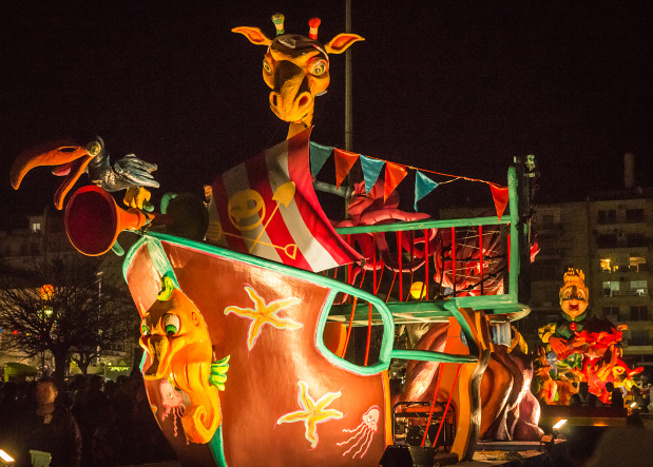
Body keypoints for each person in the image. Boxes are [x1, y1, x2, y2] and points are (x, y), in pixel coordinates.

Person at [17, 376, 82, 467]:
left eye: (46, 390)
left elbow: (75, 445)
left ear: (55, 394)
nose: (41, 394)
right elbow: (21, 444)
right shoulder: (30, 416)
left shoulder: (64, 417)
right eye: (39, 390)